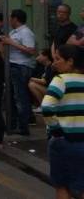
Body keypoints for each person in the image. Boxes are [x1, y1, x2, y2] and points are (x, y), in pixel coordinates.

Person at [41, 44, 84, 199]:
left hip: (64, 140)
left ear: (70, 61)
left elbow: (46, 106)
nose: (54, 63)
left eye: (58, 59)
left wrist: (56, 129)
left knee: (62, 186)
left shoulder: (61, 80)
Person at [1, 9, 37, 135]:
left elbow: (31, 51)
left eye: (11, 18)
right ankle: (12, 124)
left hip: (21, 67)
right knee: (11, 96)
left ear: (15, 19)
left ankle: (23, 126)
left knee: (20, 97)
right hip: (12, 66)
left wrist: (11, 43)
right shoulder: (14, 32)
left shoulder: (26, 33)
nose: (9, 20)